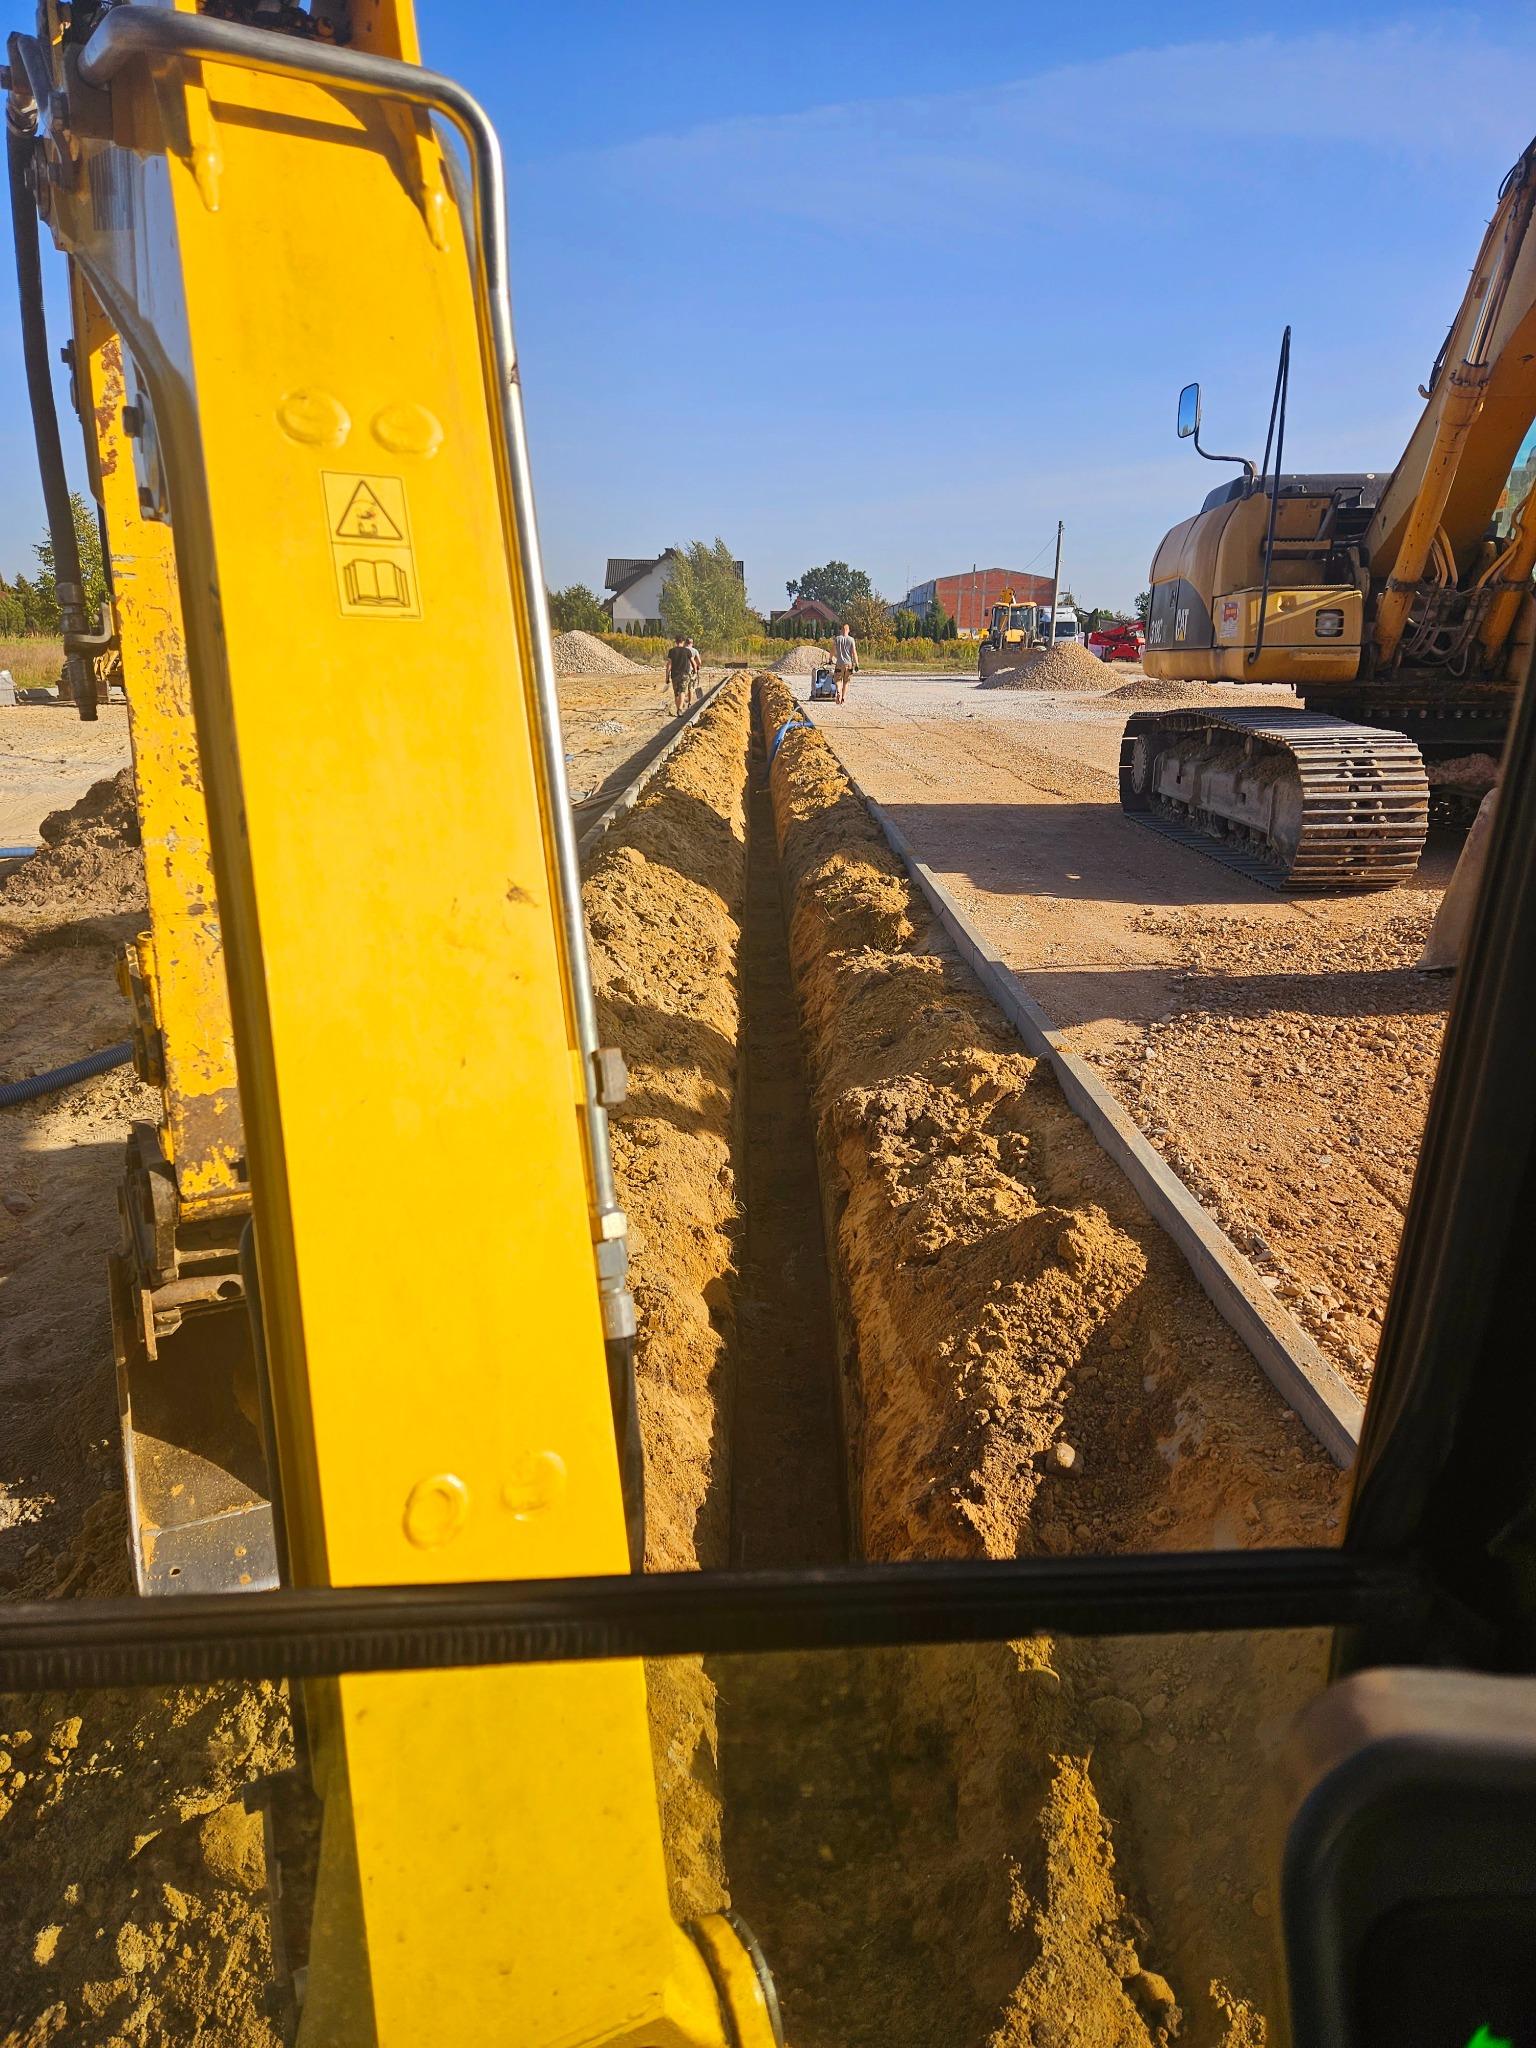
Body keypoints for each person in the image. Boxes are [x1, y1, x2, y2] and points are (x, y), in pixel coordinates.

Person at [665, 635, 693, 714]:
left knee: (676, 693)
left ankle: (678, 709)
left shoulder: (672, 651)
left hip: (675, 675)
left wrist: (667, 677)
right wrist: (694, 670)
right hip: (684, 674)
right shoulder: (687, 651)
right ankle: (680, 709)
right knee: (682, 691)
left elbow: (669, 665)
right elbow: (693, 662)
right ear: (683, 642)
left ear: (676, 641)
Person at [832, 622, 858, 703]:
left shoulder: (837, 639)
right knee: (846, 682)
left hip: (839, 664)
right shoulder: (851, 640)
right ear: (848, 630)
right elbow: (854, 652)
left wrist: (830, 659)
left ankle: (838, 692)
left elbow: (833, 650)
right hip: (848, 664)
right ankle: (843, 698)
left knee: (838, 680)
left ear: (841, 630)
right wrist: (857, 663)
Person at [686, 637, 703, 702]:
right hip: (691, 671)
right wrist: (697, 667)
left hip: (682, 671)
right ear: (692, 643)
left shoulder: (682, 650)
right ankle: (690, 703)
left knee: (681, 689)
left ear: (685, 642)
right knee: (691, 688)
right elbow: (699, 661)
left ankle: (680, 705)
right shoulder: (695, 650)